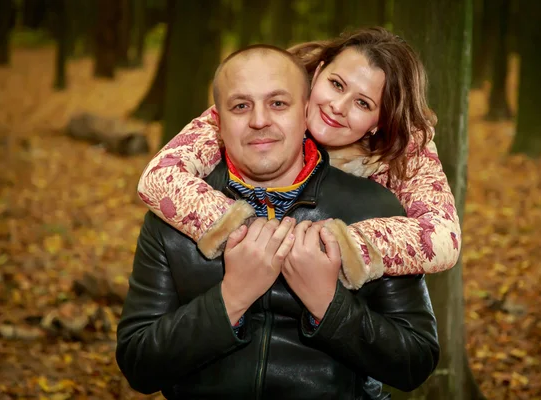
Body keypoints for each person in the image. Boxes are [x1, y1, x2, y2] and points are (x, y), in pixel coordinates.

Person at [117, 45, 439, 399]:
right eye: (241, 106)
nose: (259, 121)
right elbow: (139, 364)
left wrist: (327, 304)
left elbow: (415, 362)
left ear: (306, 113)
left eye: (278, 104)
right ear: (218, 123)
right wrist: (231, 298)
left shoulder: (374, 207)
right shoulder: (174, 213)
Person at [136, 27, 461, 290]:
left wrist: (340, 245)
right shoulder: (269, 98)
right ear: (318, 72)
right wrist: (249, 232)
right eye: (336, 84)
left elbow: (442, 237)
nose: (338, 106)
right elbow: (161, 177)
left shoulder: (406, 147)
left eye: (362, 103)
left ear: (379, 121)